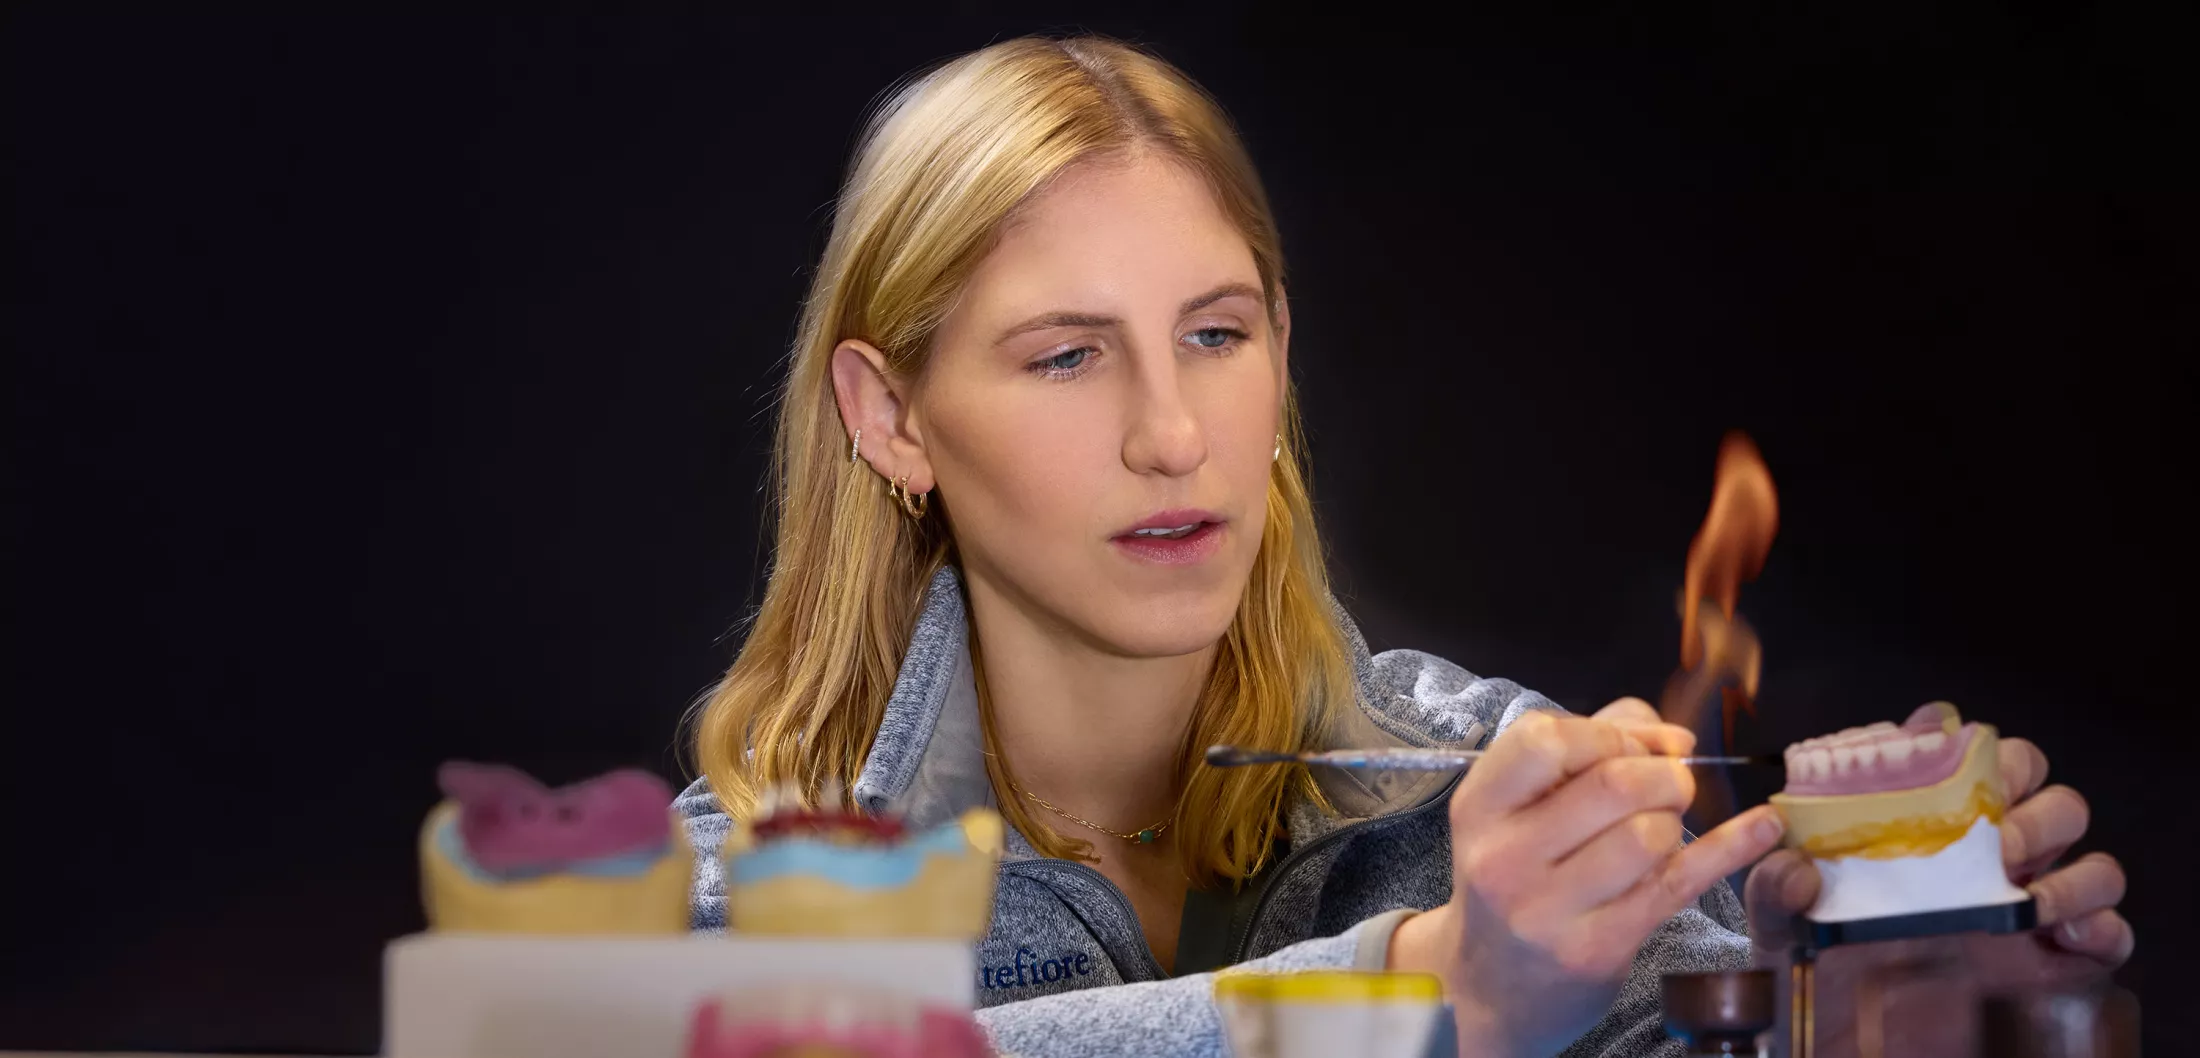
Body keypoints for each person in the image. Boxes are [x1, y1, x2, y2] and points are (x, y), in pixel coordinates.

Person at [675, 35, 2132, 1057]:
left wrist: (1867, 1017)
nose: (1173, 434)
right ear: (891, 419)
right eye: (1066, 356)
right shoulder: (735, 887)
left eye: (1216, 334)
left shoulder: (1486, 781)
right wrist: (1432, 990)